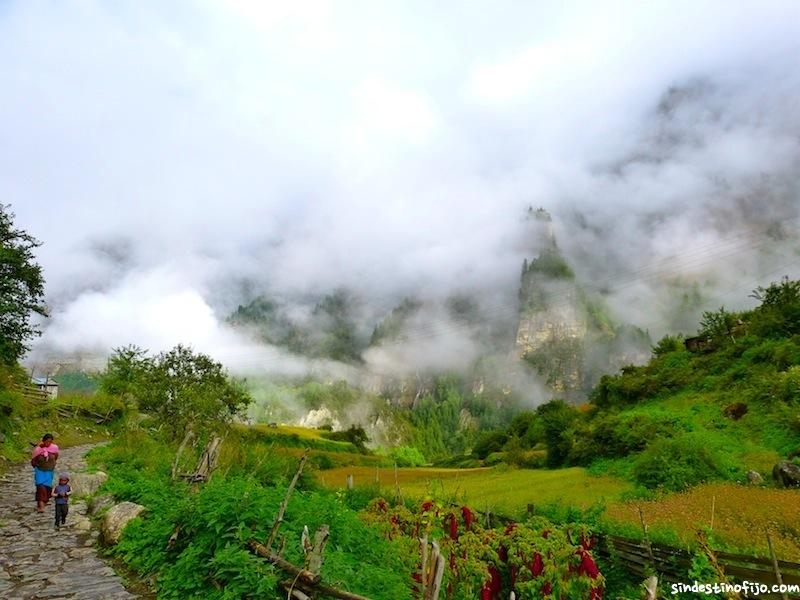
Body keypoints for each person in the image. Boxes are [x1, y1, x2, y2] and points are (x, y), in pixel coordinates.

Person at [31, 433, 59, 513]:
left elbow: (56, 457)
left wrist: (52, 463)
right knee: (40, 487)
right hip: (40, 471)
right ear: (43, 441)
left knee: (47, 488)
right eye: (47, 441)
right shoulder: (38, 450)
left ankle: (43, 502)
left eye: (50, 441)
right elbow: (33, 460)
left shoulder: (54, 448)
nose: (48, 443)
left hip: (49, 471)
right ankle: (41, 505)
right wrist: (37, 465)